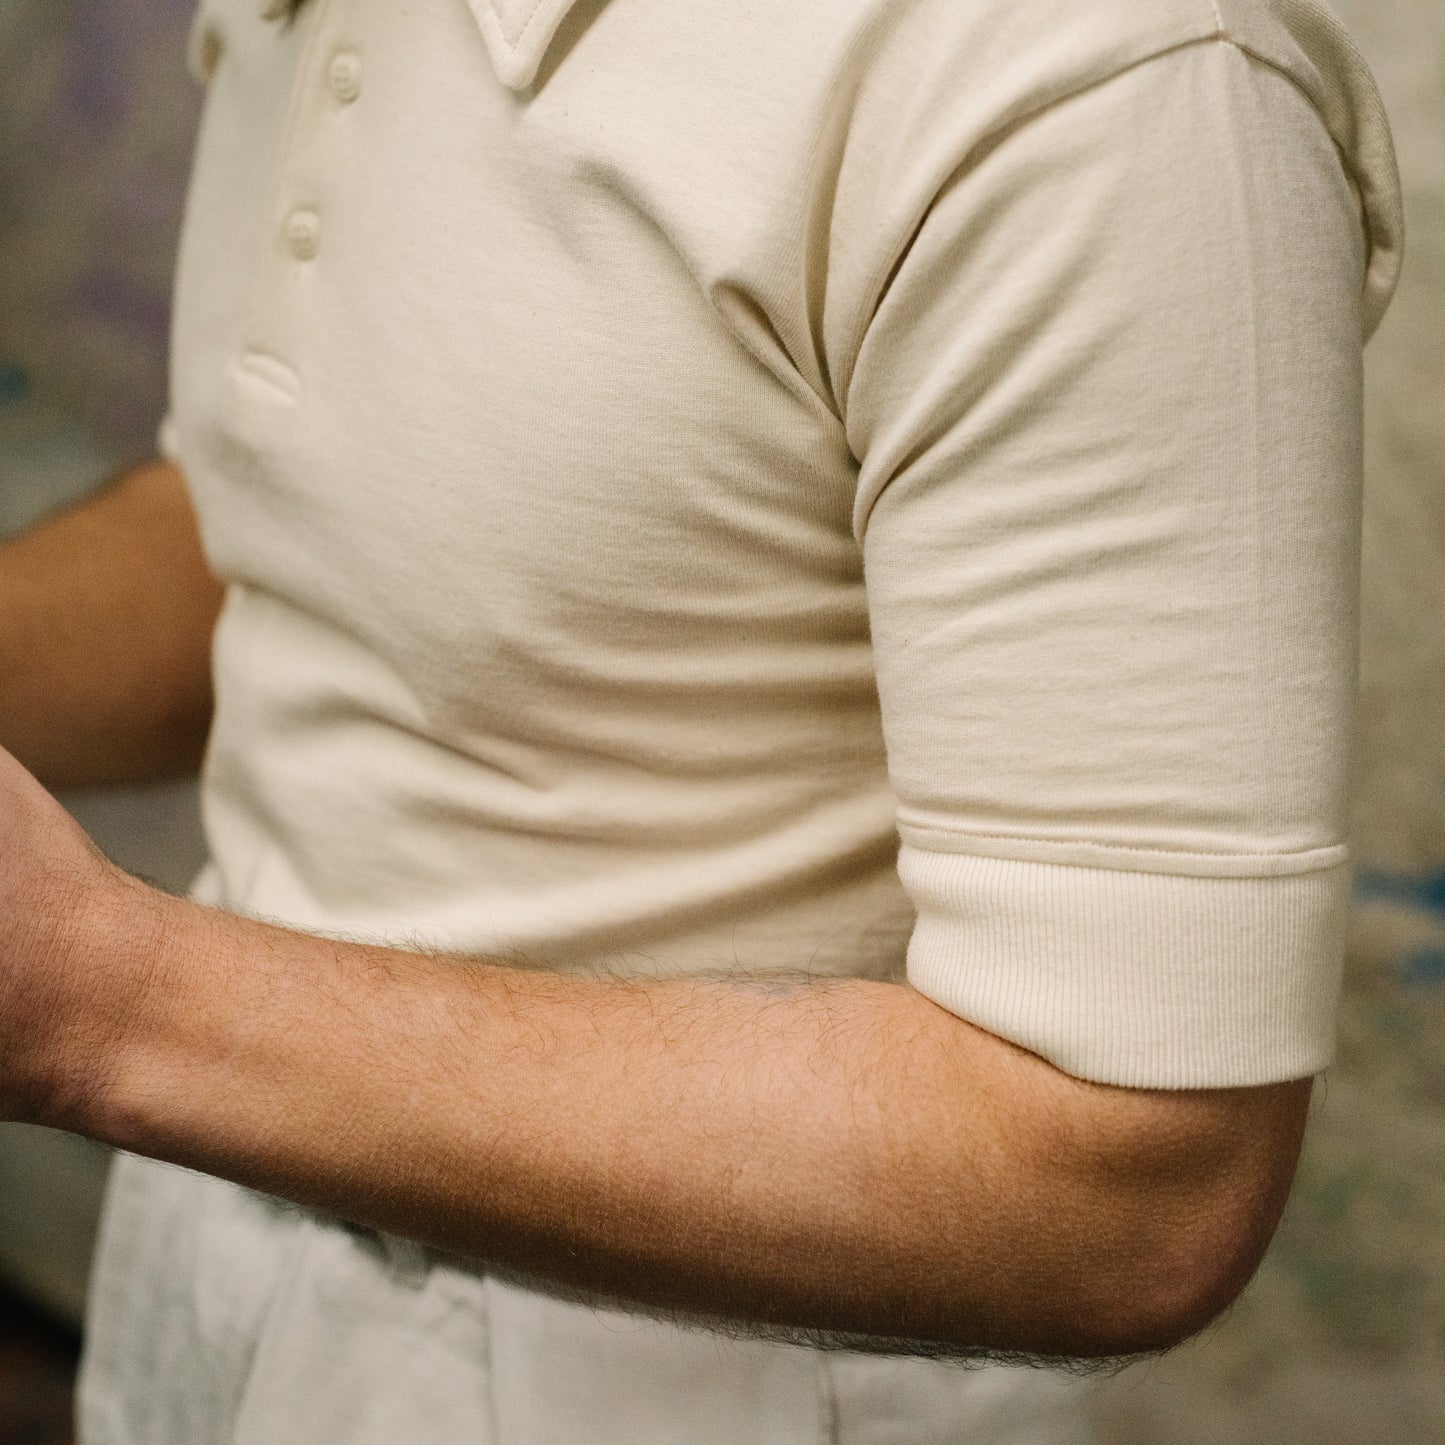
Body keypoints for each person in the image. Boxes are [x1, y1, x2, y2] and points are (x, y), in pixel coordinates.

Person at [0, 0, 1402, 1438]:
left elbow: (1133, 1187)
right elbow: (324, 540)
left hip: (674, 1381)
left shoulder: (1098, 87)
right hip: (211, 1244)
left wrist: (104, 1004)